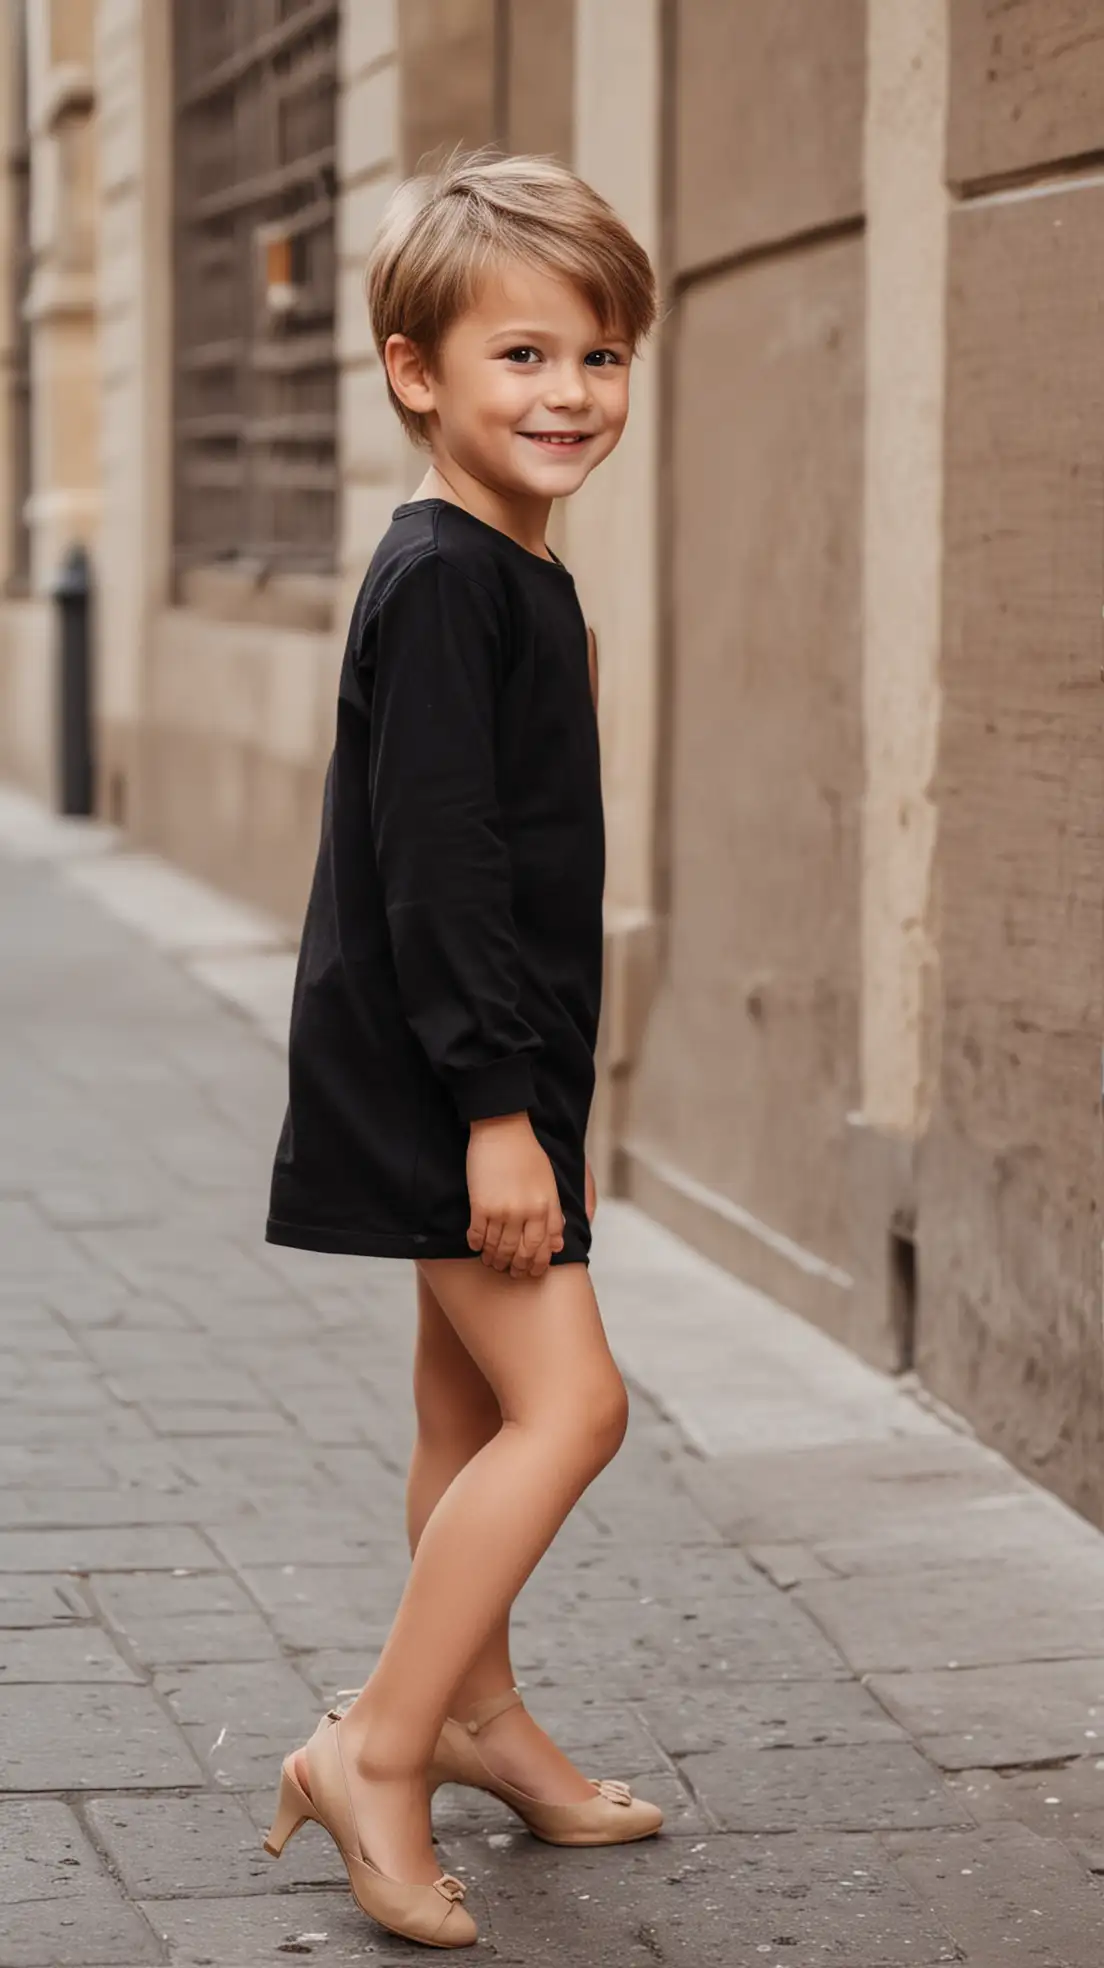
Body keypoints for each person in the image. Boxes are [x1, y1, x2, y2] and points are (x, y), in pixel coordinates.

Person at [261, 149, 660, 1949]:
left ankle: (485, 1721)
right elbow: (436, 869)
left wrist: (544, 1086)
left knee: (472, 1403)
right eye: (522, 357)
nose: (570, 394)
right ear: (416, 372)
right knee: (575, 1406)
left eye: (599, 356)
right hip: (449, 1072)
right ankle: (384, 1742)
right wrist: (502, 1112)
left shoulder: (510, 572)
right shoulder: (442, 582)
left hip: (491, 1058)